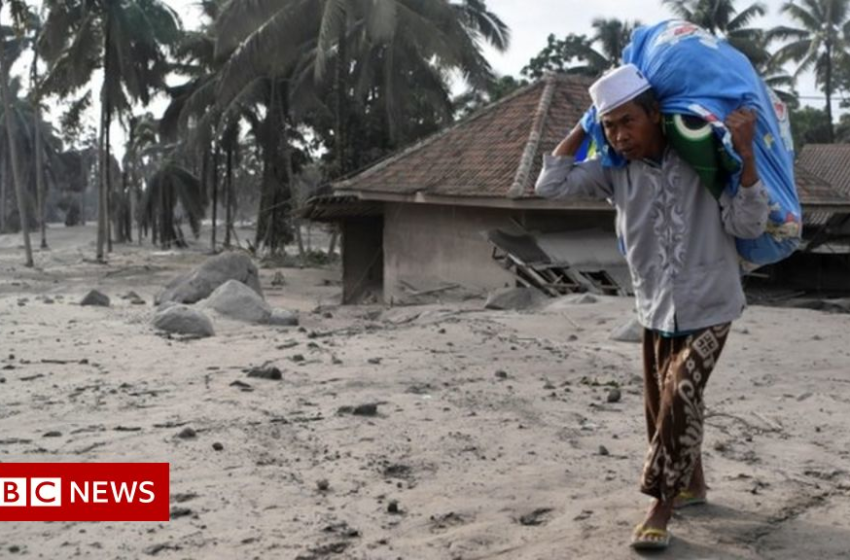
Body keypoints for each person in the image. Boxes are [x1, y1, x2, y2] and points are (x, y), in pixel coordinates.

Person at [534, 64, 770, 550]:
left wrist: (745, 155)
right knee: (667, 405)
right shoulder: (613, 174)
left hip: (712, 302)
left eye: (628, 121)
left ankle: (661, 504)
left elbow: (748, 225)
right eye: (610, 126)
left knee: (679, 391)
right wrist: (586, 121)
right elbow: (550, 184)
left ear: (656, 115)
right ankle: (694, 485)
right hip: (655, 307)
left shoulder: (704, 159)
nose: (619, 136)